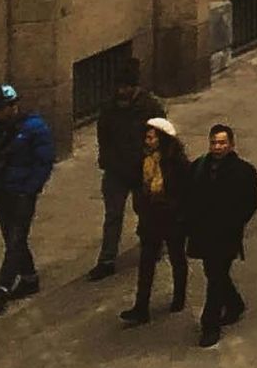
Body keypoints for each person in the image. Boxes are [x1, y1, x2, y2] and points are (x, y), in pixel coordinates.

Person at [0, 83, 54, 314]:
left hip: (21, 192)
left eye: (1, 108)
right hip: (0, 191)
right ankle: (29, 278)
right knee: (12, 238)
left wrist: (29, 188)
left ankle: (3, 287)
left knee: (17, 238)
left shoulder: (34, 128)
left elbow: (44, 162)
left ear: (13, 106)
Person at [187, 123, 257, 347]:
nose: (217, 147)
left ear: (231, 144)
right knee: (213, 272)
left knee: (216, 275)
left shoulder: (243, 171)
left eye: (221, 143)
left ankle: (210, 324)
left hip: (227, 233)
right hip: (204, 231)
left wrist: (236, 221)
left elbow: (251, 201)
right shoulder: (199, 167)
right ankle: (234, 303)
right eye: (214, 143)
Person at [119, 115, 194, 324]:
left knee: (177, 257)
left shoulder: (176, 162)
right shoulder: (143, 159)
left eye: (151, 138)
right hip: (150, 218)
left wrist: (179, 213)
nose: (147, 141)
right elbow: (137, 185)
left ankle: (179, 296)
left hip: (172, 218)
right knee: (146, 262)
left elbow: (184, 191)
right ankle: (141, 307)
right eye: (146, 137)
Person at [83, 48, 144, 280]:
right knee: (112, 216)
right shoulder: (110, 109)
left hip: (140, 170)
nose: (122, 92)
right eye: (120, 87)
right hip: (116, 171)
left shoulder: (149, 108)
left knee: (145, 212)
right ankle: (107, 259)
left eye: (127, 87)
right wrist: (107, 162)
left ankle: (152, 244)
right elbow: (104, 136)